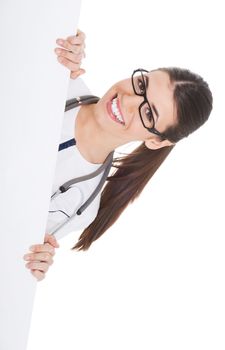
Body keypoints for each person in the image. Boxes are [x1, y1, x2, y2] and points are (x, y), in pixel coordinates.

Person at [23, 29, 213, 281]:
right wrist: (56, 35)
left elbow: (13, 238)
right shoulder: (60, 75)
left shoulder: (81, 206)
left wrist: (29, 264)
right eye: (142, 85)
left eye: (148, 114)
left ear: (156, 141)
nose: (128, 101)